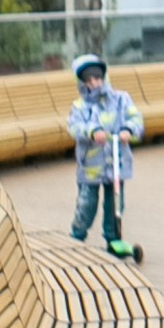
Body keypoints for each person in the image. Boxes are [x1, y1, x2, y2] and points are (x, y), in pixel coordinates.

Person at [66, 52, 143, 259]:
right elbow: (74, 127)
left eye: (98, 78)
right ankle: (76, 237)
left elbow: (135, 118)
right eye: (89, 80)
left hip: (116, 163)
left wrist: (129, 130)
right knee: (87, 203)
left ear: (104, 77)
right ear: (83, 83)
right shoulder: (80, 106)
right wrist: (92, 132)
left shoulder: (121, 99)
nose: (95, 83)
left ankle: (113, 238)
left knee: (116, 202)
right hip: (91, 164)